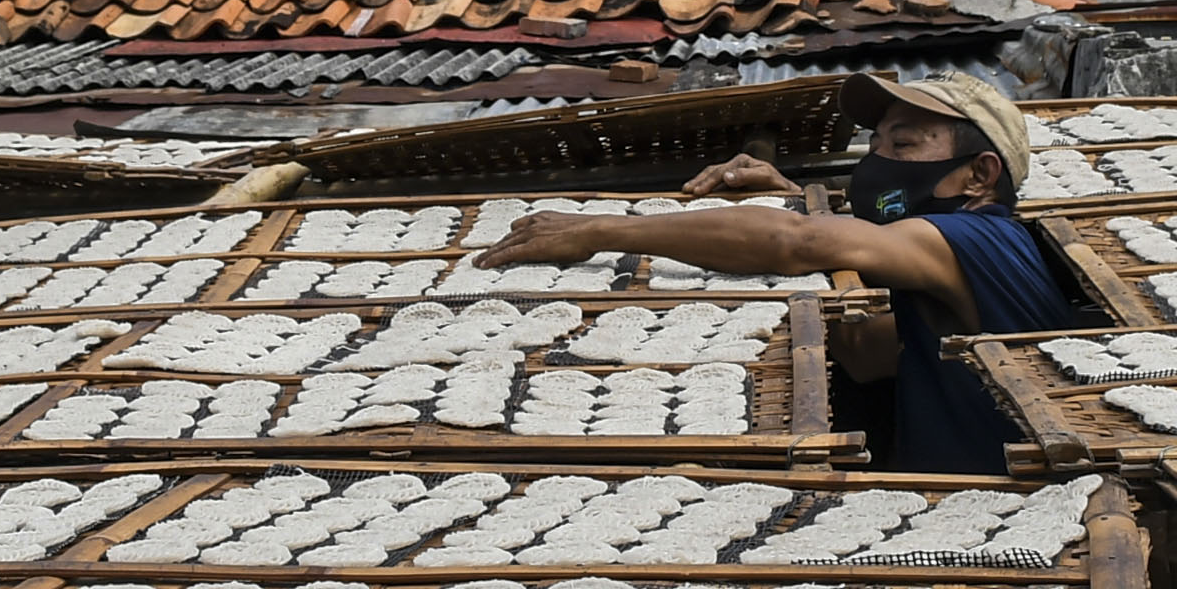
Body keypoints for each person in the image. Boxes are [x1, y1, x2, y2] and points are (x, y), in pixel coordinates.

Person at [466, 73, 1088, 474]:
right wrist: (790, 191)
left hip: (991, 509)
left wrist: (600, 231)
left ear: (979, 175)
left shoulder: (976, 238)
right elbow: (874, 357)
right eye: (876, 144)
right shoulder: (939, 248)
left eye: (904, 147)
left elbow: (799, 242)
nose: (879, 162)